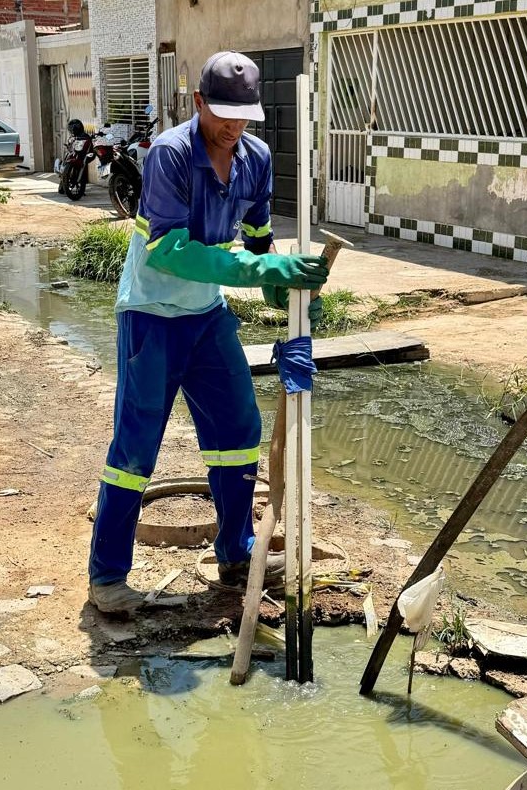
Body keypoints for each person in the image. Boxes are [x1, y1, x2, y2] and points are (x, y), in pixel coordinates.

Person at [87, 51, 329, 616]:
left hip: (206, 314)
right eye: (222, 113)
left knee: (238, 429)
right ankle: (108, 576)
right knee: (136, 444)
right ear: (198, 103)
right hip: (150, 312)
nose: (233, 126)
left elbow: (259, 235)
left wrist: (284, 289)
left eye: (243, 116)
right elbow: (170, 251)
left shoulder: (256, 158)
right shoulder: (170, 154)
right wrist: (261, 269)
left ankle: (236, 553)